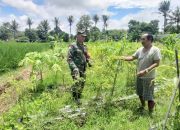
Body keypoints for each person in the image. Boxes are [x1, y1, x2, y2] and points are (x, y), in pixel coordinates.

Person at [120, 33, 161, 113]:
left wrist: (146, 71)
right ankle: (143, 106)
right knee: (140, 93)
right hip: (139, 76)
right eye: (141, 39)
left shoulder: (155, 50)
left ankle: (150, 112)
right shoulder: (140, 49)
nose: (141, 41)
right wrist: (122, 58)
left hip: (149, 77)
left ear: (149, 40)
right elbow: (132, 57)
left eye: (143, 39)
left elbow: (157, 63)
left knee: (149, 96)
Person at [67, 29, 91, 105]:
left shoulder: (84, 46)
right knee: (76, 83)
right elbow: (69, 59)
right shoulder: (73, 46)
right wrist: (74, 68)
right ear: (77, 36)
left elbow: (86, 56)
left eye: (84, 37)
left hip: (83, 69)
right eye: (82, 36)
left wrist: (89, 61)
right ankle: (75, 99)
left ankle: (79, 97)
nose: (83, 38)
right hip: (76, 69)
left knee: (82, 83)